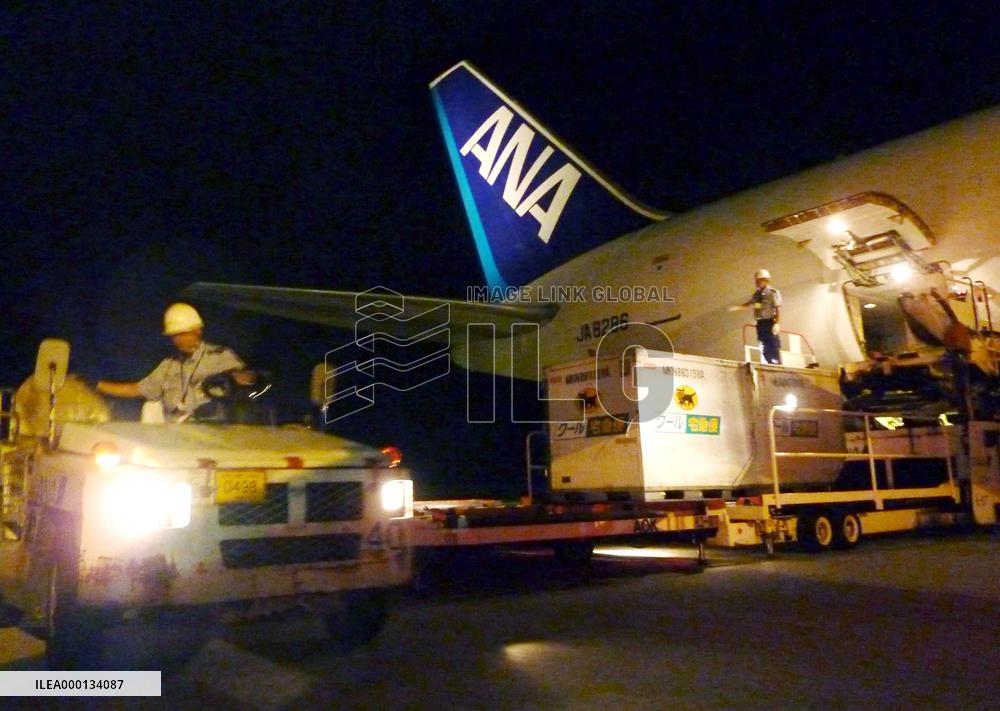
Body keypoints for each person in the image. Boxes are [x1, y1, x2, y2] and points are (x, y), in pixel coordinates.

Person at [97, 303, 252, 422]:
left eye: (183, 334)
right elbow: (139, 389)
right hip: (175, 434)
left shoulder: (219, 356)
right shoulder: (169, 364)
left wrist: (236, 379)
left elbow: (247, 380)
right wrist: (97, 385)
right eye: (174, 335)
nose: (178, 340)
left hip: (212, 431)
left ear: (197, 330)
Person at [730, 269, 783, 364]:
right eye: (756, 281)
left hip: (770, 322)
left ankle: (776, 363)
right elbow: (749, 303)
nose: (757, 283)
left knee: (773, 344)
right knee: (763, 343)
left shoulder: (772, 293)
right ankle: (769, 362)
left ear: (766, 280)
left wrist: (777, 324)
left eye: (759, 281)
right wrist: (738, 307)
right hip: (760, 323)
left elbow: (777, 308)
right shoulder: (757, 295)